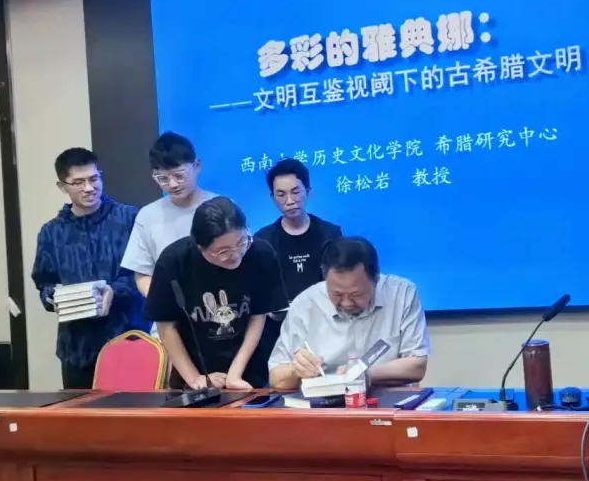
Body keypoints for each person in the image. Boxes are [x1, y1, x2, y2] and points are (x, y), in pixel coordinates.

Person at [144, 196, 286, 389]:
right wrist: (195, 378)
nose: (235, 255)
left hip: (252, 368)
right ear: (200, 246)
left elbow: (258, 315)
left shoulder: (261, 254)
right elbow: (166, 326)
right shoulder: (174, 262)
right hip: (194, 370)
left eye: (241, 242)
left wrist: (235, 374)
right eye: (223, 251)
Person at [31, 148, 143, 389]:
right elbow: (44, 282)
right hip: (77, 348)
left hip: (128, 337)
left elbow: (143, 273)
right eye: (78, 182)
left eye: (94, 179)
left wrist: (114, 290)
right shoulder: (52, 232)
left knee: (132, 411)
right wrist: (52, 296)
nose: (89, 188)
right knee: (80, 411)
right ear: (63, 187)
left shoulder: (129, 218)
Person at [269, 236, 430, 390]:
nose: (346, 303)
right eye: (337, 294)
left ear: (376, 279)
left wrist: (360, 374)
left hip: (390, 400)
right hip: (327, 404)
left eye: (356, 294)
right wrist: (296, 370)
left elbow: (417, 365)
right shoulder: (305, 304)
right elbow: (276, 378)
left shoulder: (401, 294)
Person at [253, 158, 342, 368]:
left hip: (325, 328)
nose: (290, 200)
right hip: (279, 333)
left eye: (295, 192)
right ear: (272, 197)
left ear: (307, 192)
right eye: (281, 194)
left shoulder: (330, 234)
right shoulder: (263, 241)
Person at [121, 132, 216, 299]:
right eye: (163, 179)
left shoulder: (222, 207)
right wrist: (163, 303)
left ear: (196, 166)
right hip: (170, 308)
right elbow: (143, 273)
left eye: (179, 175)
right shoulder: (147, 216)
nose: (173, 184)